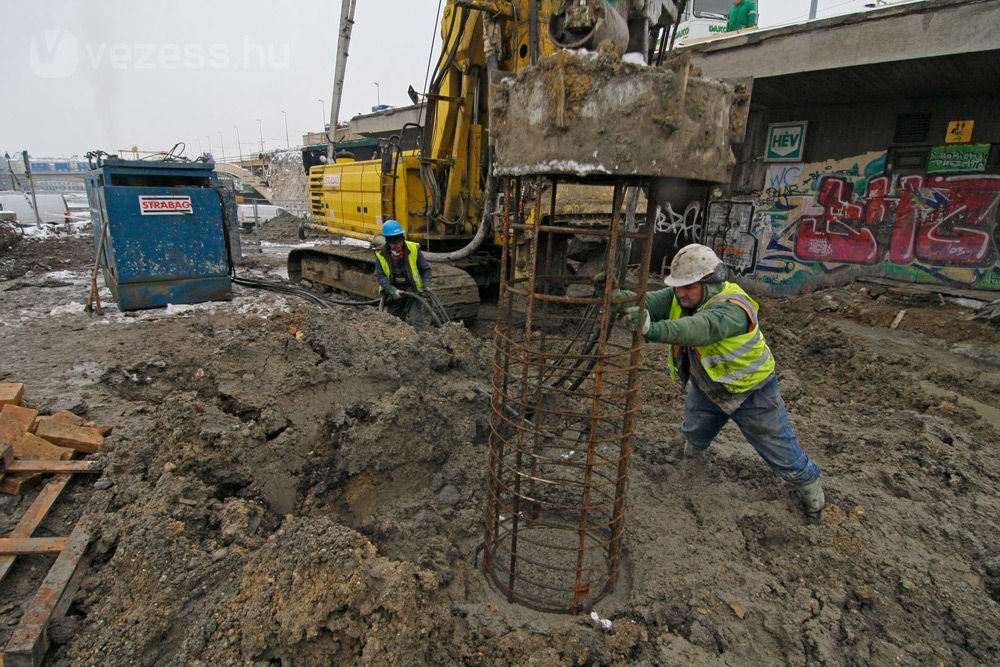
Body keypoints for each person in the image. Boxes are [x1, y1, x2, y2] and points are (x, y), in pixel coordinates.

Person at [617, 243, 825, 519]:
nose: (681, 293)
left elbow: (701, 329)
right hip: (708, 388)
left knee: (780, 450)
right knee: (695, 431)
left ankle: (811, 488)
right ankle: (692, 466)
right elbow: (651, 302)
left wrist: (651, 329)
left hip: (752, 393)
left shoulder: (734, 307)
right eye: (678, 287)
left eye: (688, 287)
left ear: (710, 281)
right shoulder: (683, 295)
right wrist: (617, 297)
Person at [374, 219, 433, 330]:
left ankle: (424, 340)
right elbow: (380, 276)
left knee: (416, 320)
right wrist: (391, 290)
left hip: (412, 289)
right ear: (388, 242)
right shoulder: (381, 255)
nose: (398, 246)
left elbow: (426, 270)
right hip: (394, 291)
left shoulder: (413, 249)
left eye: (400, 242)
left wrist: (425, 285)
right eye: (394, 244)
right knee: (393, 321)